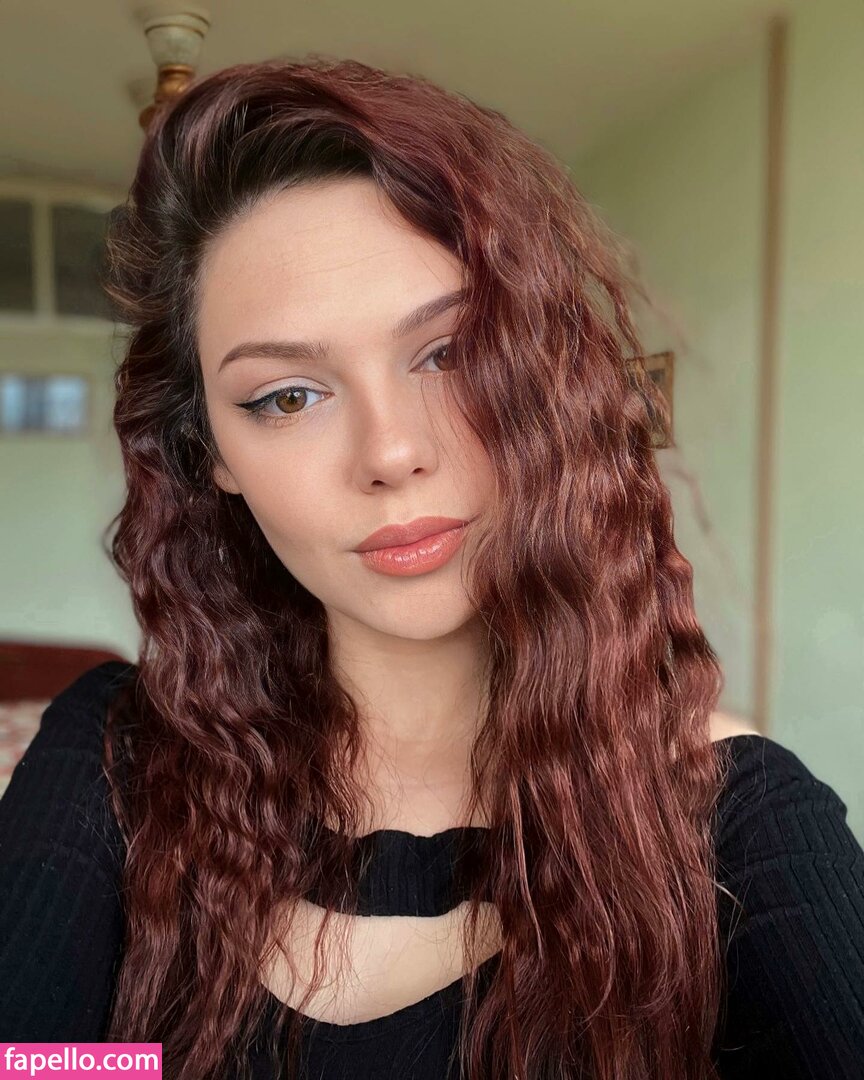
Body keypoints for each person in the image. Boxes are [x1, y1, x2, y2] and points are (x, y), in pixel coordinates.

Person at [1, 55, 863, 1080]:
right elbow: (33, 1061)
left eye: (448, 352)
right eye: (287, 396)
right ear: (214, 456)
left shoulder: (730, 818)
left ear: (542, 377)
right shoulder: (116, 758)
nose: (392, 452)